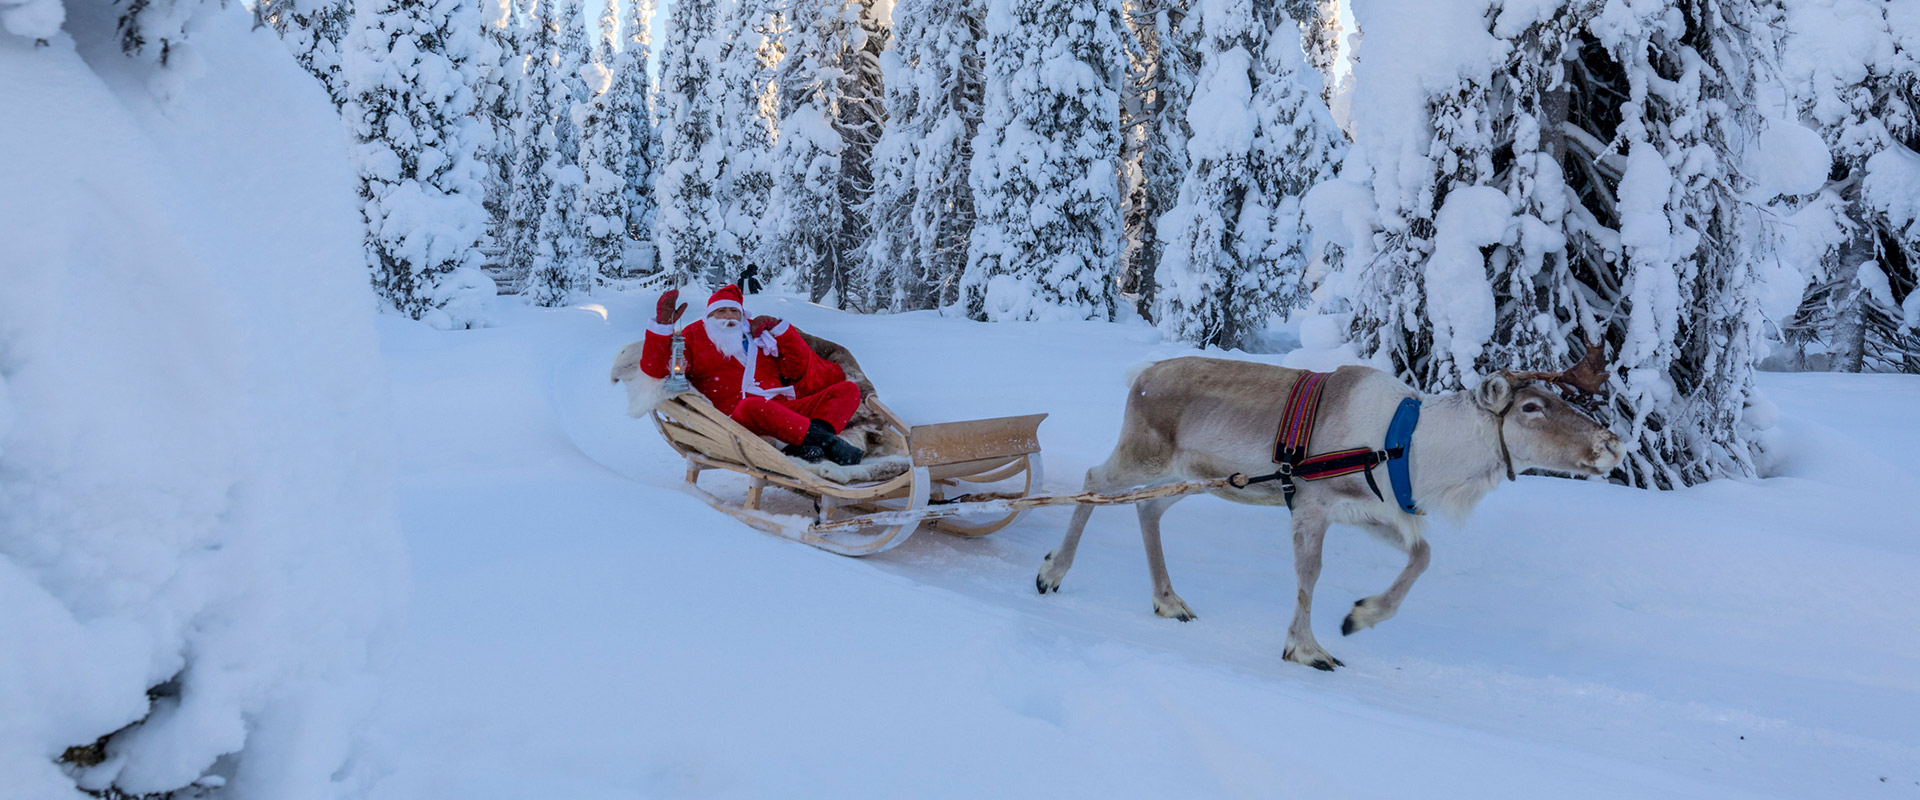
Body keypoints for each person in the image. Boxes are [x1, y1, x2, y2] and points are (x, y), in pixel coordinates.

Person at [637, 284, 865, 465]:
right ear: (709, 315)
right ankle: (829, 443)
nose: (729, 316)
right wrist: (663, 326)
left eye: (734, 310)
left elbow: (797, 369)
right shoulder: (694, 336)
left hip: (784, 412)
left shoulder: (759, 336)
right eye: (721, 311)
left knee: (849, 390)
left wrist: (779, 330)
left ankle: (803, 445)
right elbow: (654, 369)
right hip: (739, 418)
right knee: (752, 406)